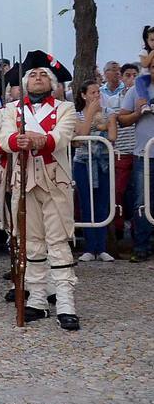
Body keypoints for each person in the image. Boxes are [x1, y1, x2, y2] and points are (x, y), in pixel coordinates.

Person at [0, 49, 80, 329]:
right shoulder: (9, 112)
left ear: (52, 83)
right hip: (22, 180)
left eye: (44, 75)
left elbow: (63, 135)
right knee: (32, 244)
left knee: (58, 244)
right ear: (25, 82)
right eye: (34, 75)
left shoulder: (65, 108)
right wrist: (16, 142)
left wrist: (40, 141)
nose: (38, 78)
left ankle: (65, 303)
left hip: (55, 182)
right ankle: (38, 300)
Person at [71, 78, 113, 262]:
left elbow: (112, 135)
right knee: (86, 203)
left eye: (98, 92)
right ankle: (89, 247)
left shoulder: (109, 112)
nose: (96, 96)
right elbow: (80, 137)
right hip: (83, 163)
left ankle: (101, 247)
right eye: (92, 93)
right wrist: (90, 115)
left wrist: (105, 122)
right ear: (83, 95)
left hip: (102, 162)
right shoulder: (75, 114)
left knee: (102, 203)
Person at [115, 63, 152, 262]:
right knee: (141, 202)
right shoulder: (137, 89)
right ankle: (141, 246)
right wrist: (139, 113)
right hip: (143, 155)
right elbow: (122, 120)